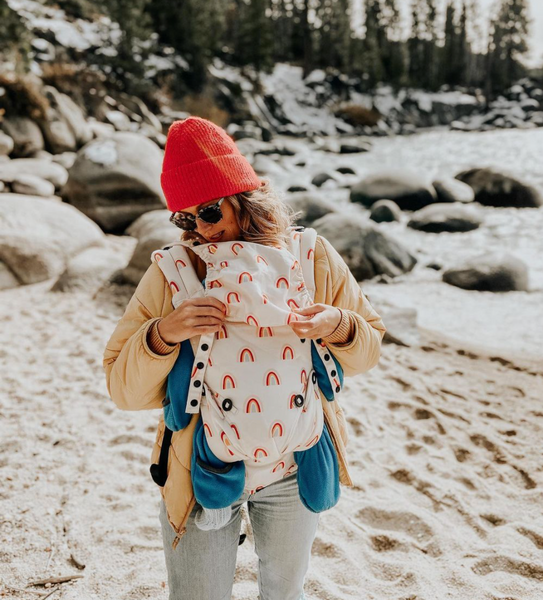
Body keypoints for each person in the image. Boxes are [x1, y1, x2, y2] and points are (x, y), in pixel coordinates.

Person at [103, 116, 386, 600]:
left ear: (245, 200)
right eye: (185, 220)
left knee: (284, 592)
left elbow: (369, 349)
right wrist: (163, 334)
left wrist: (337, 326)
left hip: (296, 463)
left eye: (210, 212)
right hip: (198, 467)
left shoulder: (310, 257)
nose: (200, 231)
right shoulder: (172, 271)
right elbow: (121, 388)